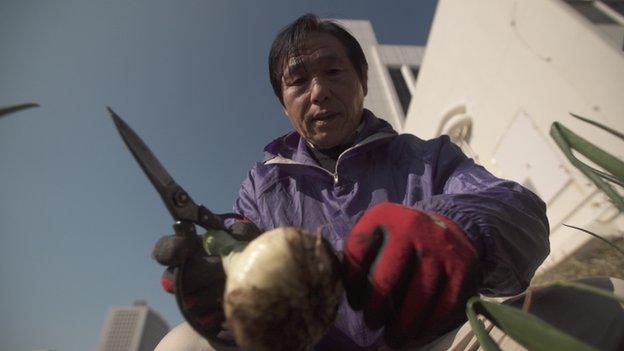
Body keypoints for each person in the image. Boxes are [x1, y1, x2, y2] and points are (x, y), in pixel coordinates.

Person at [152, 14, 551, 350]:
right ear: (283, 102)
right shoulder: (262, 187)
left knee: (598, 305)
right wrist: (213, 282)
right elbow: (241, 261)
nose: (319, 92)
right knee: (180, 345)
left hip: (439, 342)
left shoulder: (428, 158)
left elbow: (519, 212)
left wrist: (457, 228)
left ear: (362, 81)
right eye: (298, 82)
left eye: (333, 72)